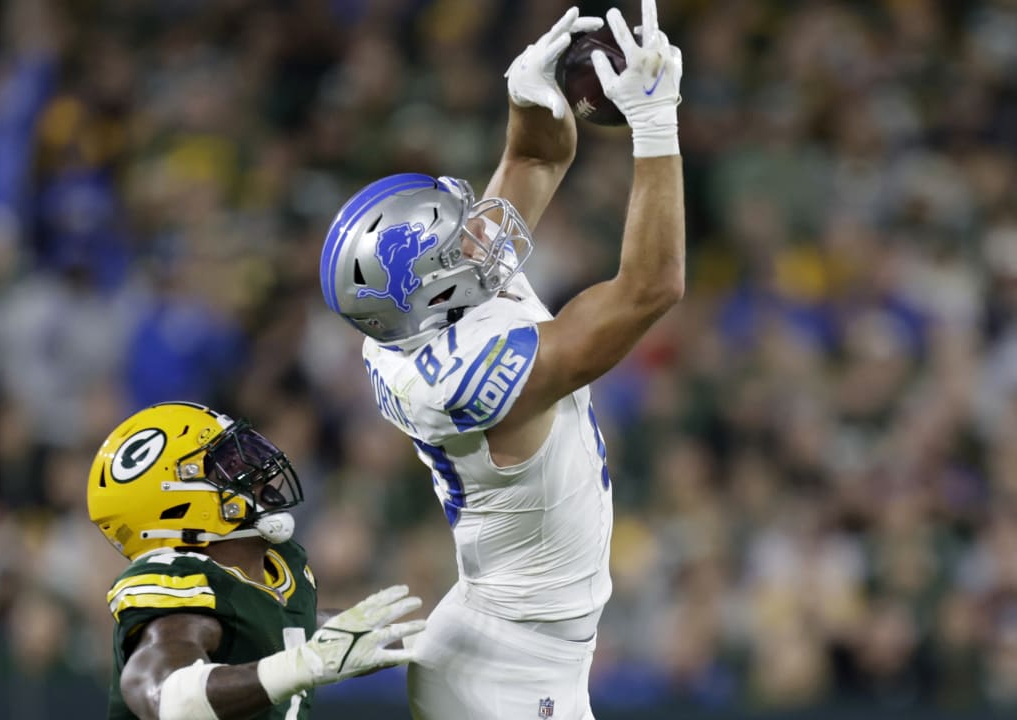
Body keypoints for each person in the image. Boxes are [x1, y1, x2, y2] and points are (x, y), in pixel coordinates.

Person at [318, 1, 684, 717]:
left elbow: (535, 158)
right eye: (452, 246)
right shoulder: (466, 370)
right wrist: (657, 123)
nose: (474, 235)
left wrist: (528, 94)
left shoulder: (416, 312)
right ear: (430, 289)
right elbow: (651, 288)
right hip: (513, 670)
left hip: (504, 638)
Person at [87, 401, 425, 720]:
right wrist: (302, 665)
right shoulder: (179, 584)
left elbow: (283, 633)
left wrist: (422, 636)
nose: (257, 471)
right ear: (175, 501)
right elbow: (165, 698)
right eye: (229, 464)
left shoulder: (279, 566)